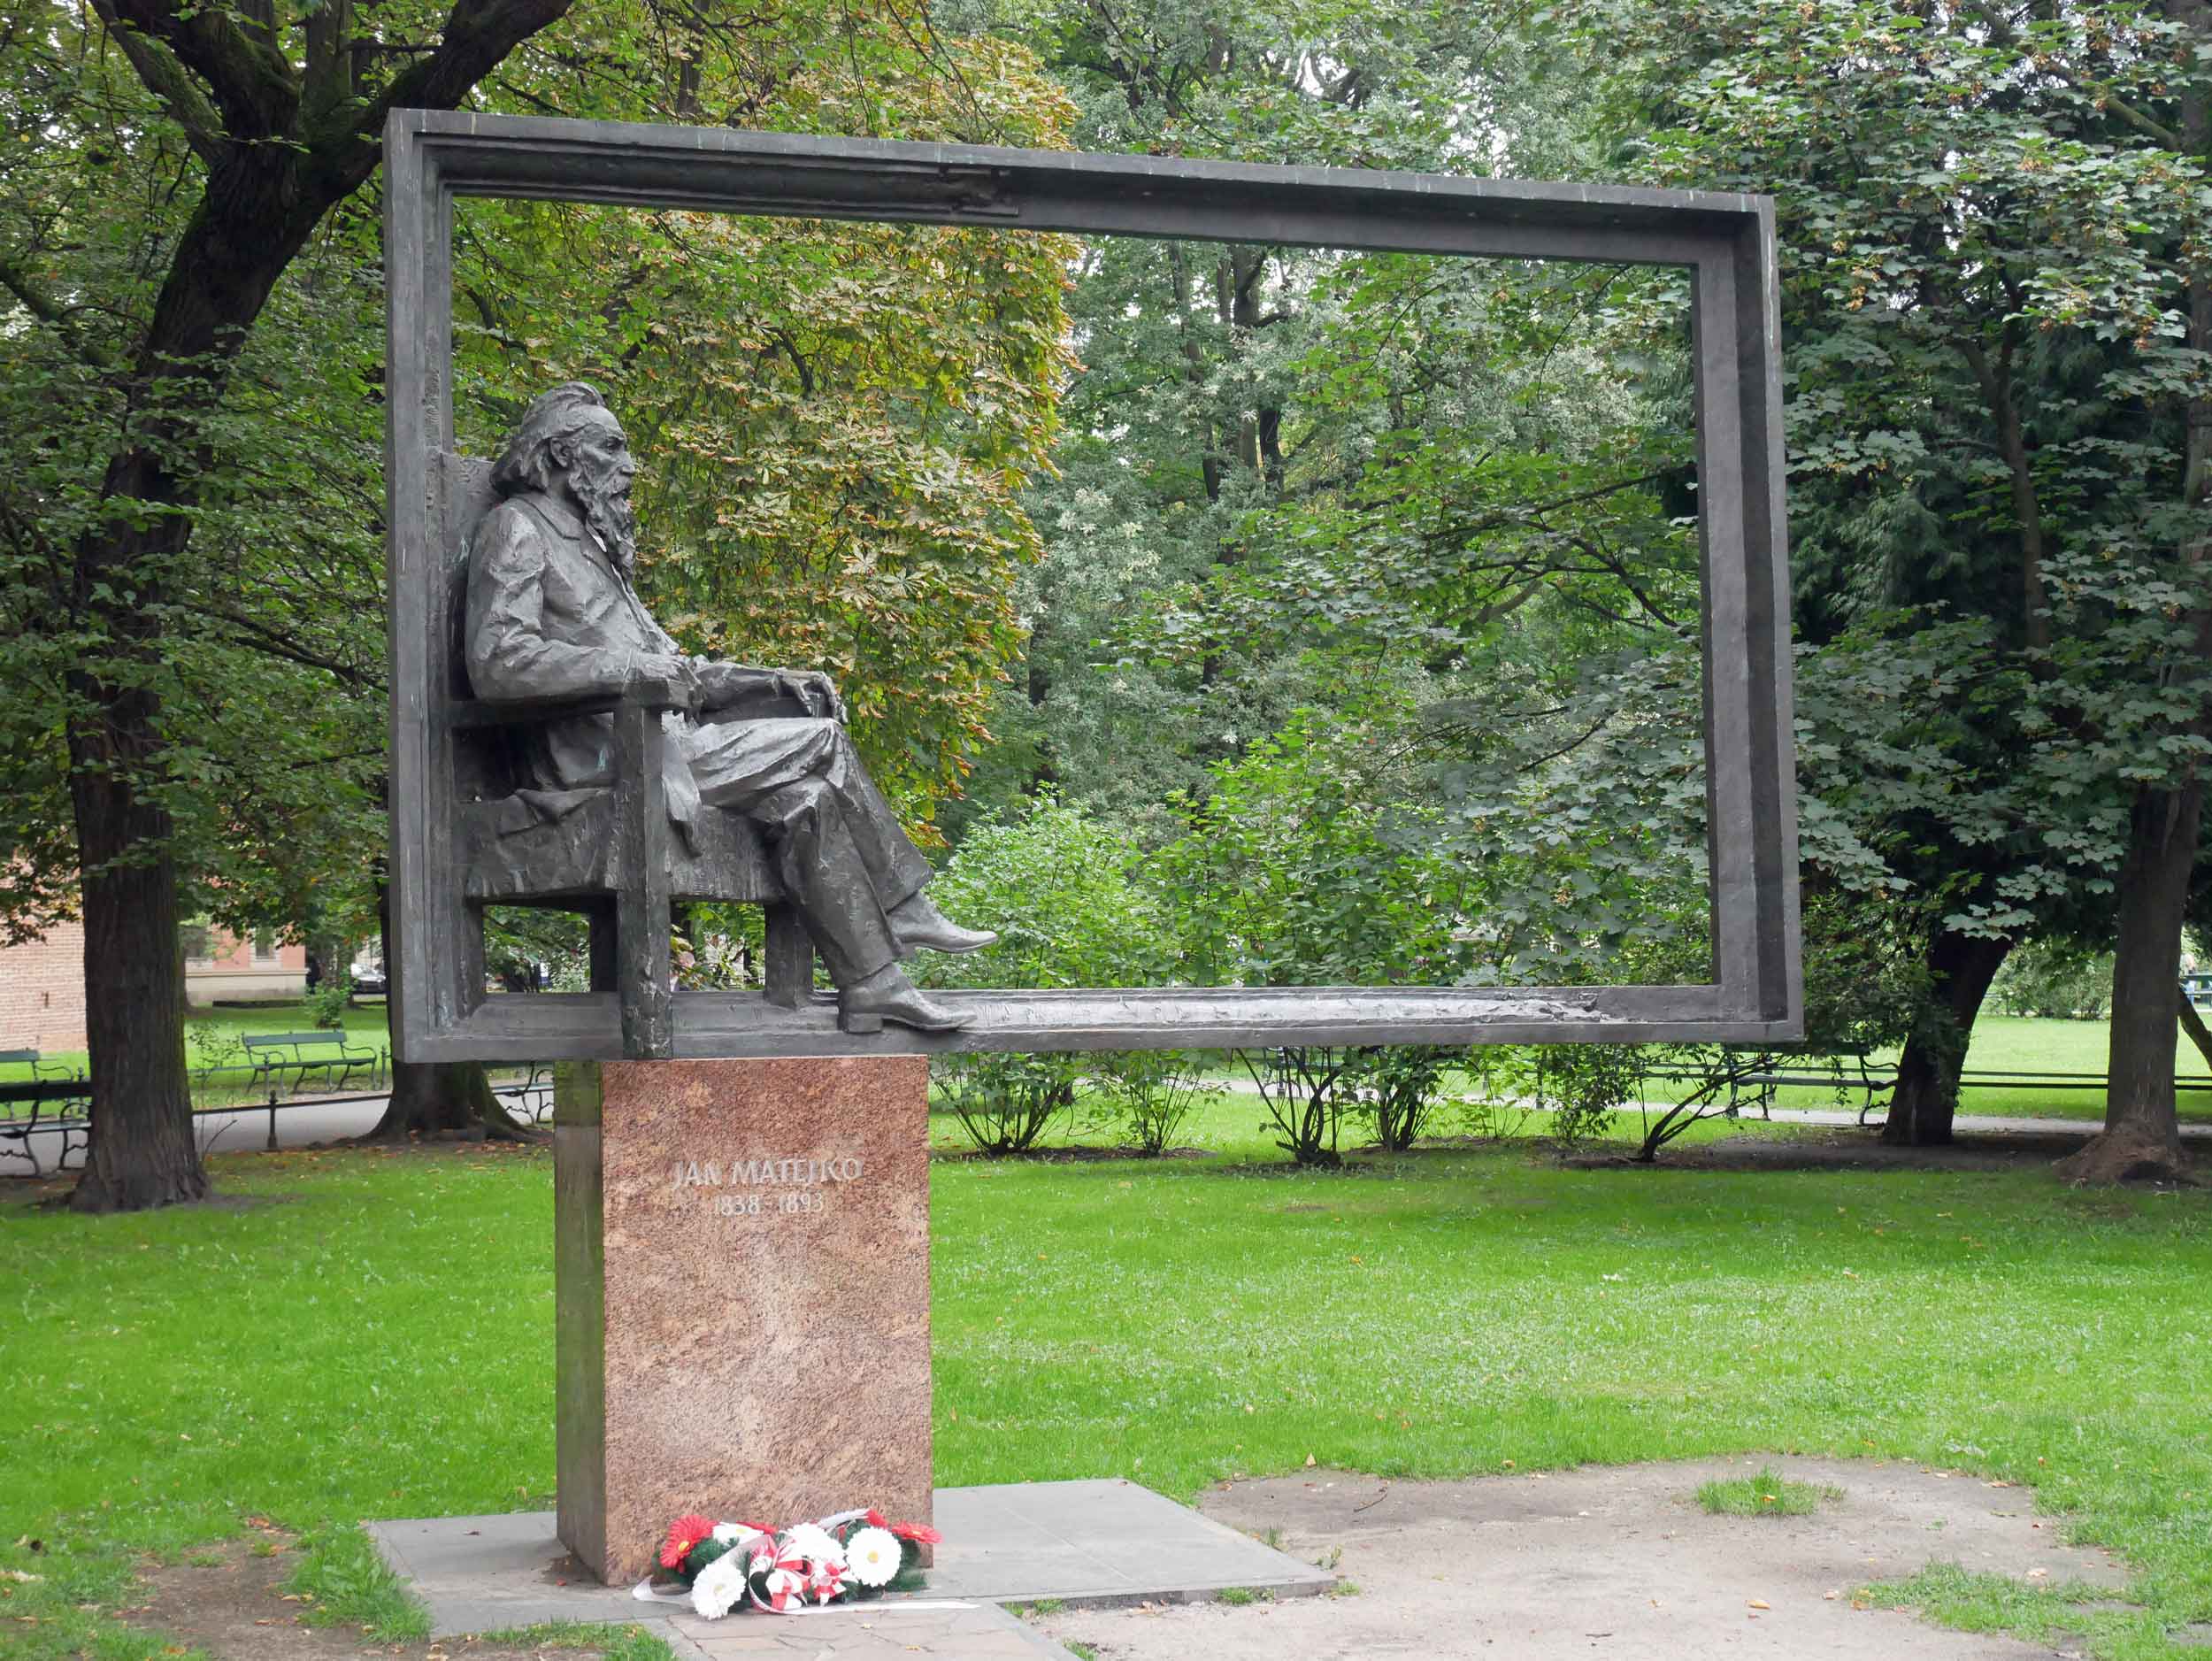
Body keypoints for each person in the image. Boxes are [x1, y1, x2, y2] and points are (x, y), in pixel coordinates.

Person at [465, 381, 993, 1034]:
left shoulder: (594, 554)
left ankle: (874, 983)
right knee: (822, 742)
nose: (630, 468)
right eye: (612, 449)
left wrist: (771, 681)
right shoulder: (516, 527)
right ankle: (903, 901)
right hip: (604, 759)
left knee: (808, 801)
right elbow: (497, 659)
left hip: (666, 747)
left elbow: (681, 670)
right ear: (561, 456)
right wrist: (633, 669)